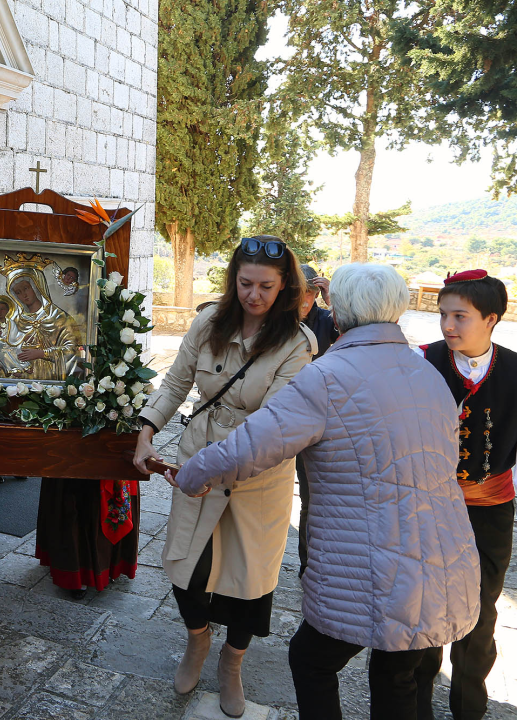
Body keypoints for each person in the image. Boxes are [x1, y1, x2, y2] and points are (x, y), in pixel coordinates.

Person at [169, 263, 481, 720]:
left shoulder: (327, 376)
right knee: (397, 678)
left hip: (365, 566)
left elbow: (254, 443)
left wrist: (193, 474)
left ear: (337, 312)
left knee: (312, 662)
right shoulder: (427, 373)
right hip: (439, 560)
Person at [132, 235, 315, 717]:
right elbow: (175, 383)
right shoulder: (209, 323)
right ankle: (197, 640)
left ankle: (232, 663)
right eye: (246, 283)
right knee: (186, 567)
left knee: (248, 581)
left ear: (285, 289)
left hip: (257, 476)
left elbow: (272, 424)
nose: (254, 295)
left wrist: (215, 467)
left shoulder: (297, 345)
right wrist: (146, 431)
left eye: (266, 287)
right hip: (197, 461)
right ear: (234, 281)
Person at [416, 269, 515, 720]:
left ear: (491, 319)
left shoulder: (515, 371)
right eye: (443, 315)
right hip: (428, 506)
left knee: (481, 606)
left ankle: (468, 707)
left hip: (491, 509)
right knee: (425, 603)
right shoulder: (422, 364)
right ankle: (416, 702)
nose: (448, 326)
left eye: (460, 316)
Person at [294, 264, 341, 576]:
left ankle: (309, 565)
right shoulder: (273, 322)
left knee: (312, 500)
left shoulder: (327, 321)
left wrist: (331, 299)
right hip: (274, 415)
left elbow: (358, 332)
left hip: (315, 421)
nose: (301, 301)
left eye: (308, 294)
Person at [0, 258, 81, 380]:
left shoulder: (59, 317)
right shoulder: (13, 320)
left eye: (26, 288)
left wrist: (42, 353)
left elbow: (72, 350)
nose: (24, 295)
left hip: (51, 380)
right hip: (18, 382)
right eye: (18, 292)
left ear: (37, 286)